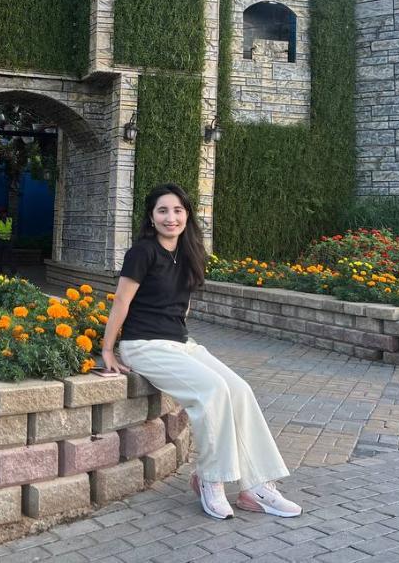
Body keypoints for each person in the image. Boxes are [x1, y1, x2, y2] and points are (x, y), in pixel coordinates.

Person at [100, 182, 301, 520]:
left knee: (239, 389)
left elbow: (183, 305)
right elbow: (122, 300)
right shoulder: (142, 252)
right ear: (150, 217)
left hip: (180, 344)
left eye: (178, 210)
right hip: (144, 345)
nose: (171, 217)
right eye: (162, 210)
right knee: (212, 390)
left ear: (187, 214)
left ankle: (256, 487)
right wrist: (108, 349)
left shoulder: (190, 252)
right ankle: (210, 479)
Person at [0, 205, 13, 274]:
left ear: (6, 213)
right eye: (1, 213)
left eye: (4, 213)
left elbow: (12, 230)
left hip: (8, 241)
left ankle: (13, 271)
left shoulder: (10, 220)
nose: (3, 214)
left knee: (9, 257)